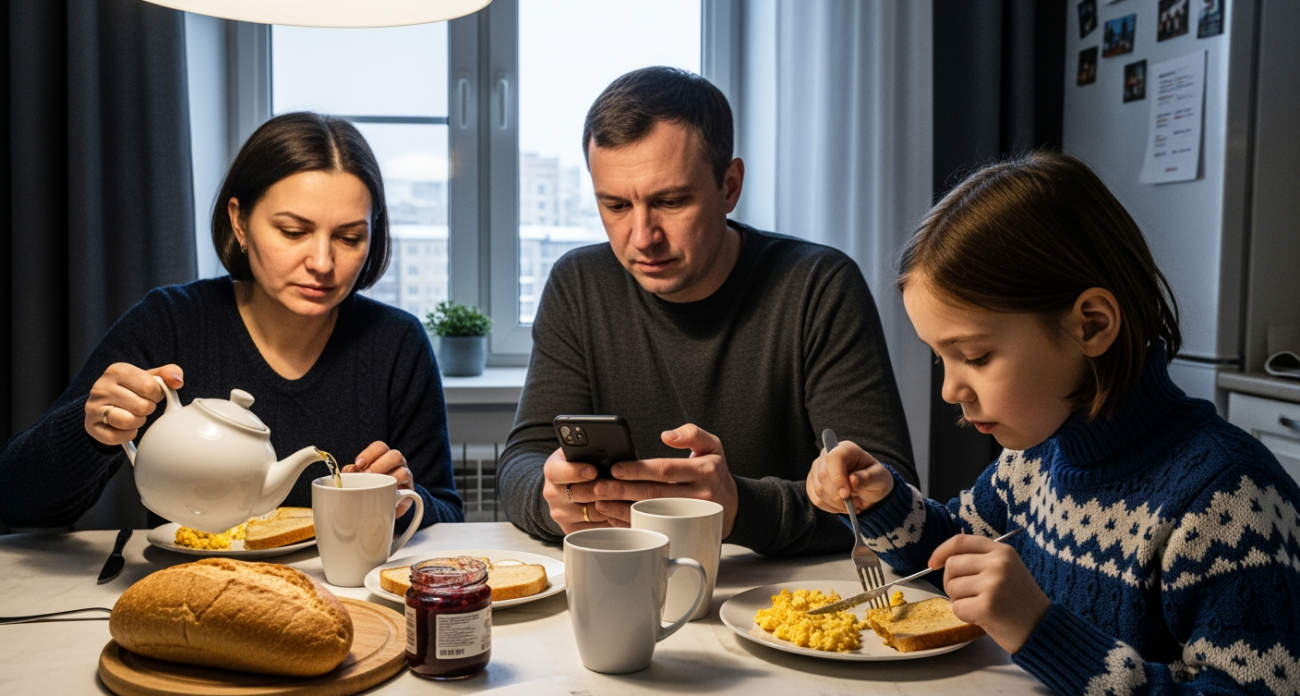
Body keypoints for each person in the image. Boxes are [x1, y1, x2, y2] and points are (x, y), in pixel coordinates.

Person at [807, 152, 1300, 694]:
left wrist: (1040, 631)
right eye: (938, 358)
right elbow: (956, 558)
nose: (950, 390)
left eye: (974, 355)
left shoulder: (1228, 501)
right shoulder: (1034, 459)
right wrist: (882, 503)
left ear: (1091, 325)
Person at [497, 67, 917, 556]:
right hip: (628, 580)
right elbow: (522, 463)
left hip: (784, 603)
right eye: (614, 205)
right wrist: (553, 499)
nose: (641, 237)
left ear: (730, 185)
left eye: (670, 201)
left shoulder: (818, 285)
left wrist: (740, 507)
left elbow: (891, 494)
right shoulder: (579, 284)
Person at [0, 112, 463, 530]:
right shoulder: (171, 322)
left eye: (349, 237)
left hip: (344, 601)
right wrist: (90, 431)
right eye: (293, 232)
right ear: (239, 221)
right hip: (192, 598)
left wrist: (405, 497)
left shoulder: (397, 343)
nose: (322, 262)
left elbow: (446, 514)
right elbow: (17, 500)